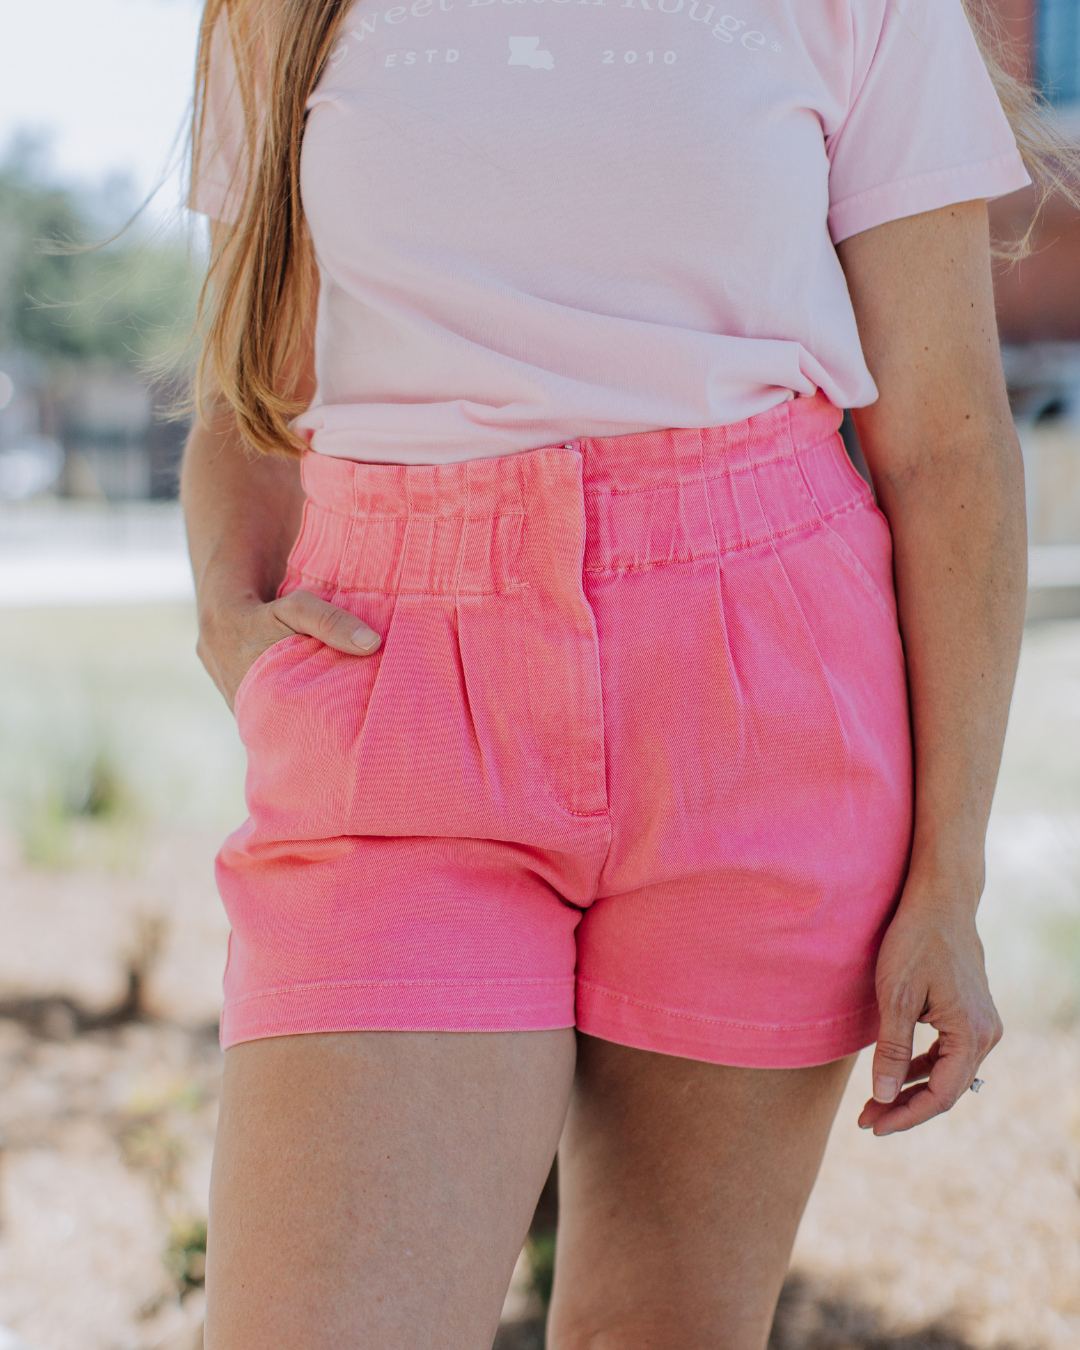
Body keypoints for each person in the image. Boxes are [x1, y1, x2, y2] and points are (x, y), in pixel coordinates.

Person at [180, 1, 1052, 1344]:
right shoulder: (274, 13)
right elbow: (253, 380)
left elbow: (945, 443)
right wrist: (237, 631)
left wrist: (951, 874)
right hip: (403, 690)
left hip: (764, 687)